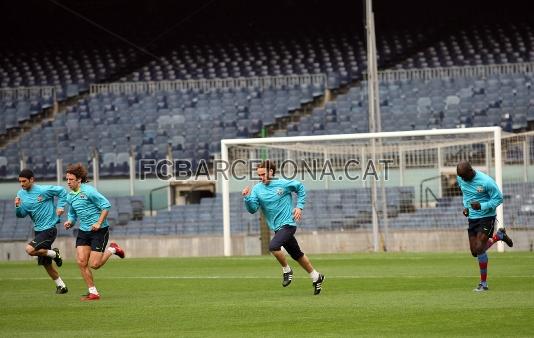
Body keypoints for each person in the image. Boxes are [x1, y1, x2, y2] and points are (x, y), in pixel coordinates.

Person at [242, 160, 325, 295]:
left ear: (271, 172)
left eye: (263, 174)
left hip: (288, 225)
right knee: (297, 255)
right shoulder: (257, 189)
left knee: (273, 246)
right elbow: (253, 209)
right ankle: (316, 276)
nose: (261, 178)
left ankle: (287, 270)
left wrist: (299, 206)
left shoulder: (283, 184)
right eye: (259, 175)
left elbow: (300, 188)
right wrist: (247, 198)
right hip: (277, 228)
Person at [63, 163, 125, 301]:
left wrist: (98, 222)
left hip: (99, 230)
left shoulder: (89, 191)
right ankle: (93, 292)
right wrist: (70, 222)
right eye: (67, 179)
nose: (68, 182)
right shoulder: (70, 197)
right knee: (81, 261)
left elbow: (106, 205)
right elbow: (72, 214)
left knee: (94, 265)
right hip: (84, 231)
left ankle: (113, 249)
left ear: (79, 180)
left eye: (71, 179)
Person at [456, 161, 513, 292]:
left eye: (465, 176)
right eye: (461, 177)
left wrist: (482, 206)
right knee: (474, 252)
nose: (463, 179)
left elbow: (499, 198)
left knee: (480, 248)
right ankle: (499, 236)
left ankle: (483, 283)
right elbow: (466, 194)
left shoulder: (486, 181)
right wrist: (466, 207)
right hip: (472, 217)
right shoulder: (461, 178)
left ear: (471, 171)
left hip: (487, 217)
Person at [15, 169, 68, 294]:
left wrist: (60, 206)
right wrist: (18, 206)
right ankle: (61, 286)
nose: (22, 184)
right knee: (46, 264)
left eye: (24, 181)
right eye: (20, 181)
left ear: (32, 180)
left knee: (29, 249)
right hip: (38, 231)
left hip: (49, 228)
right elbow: (21, 215)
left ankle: (54, 254)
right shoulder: (20, 194)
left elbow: (62, 191)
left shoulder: (43, 190)